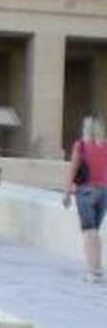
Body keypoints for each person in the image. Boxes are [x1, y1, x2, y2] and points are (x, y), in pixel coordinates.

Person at [62, 114, 107, 283]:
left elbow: (73, 169)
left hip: (86, 191)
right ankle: (98, 268)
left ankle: (91, 271)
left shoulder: (80, 145)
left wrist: (67, 192)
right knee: (95, 231)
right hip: (103, 191)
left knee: (89, 232)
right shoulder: (105, 146)